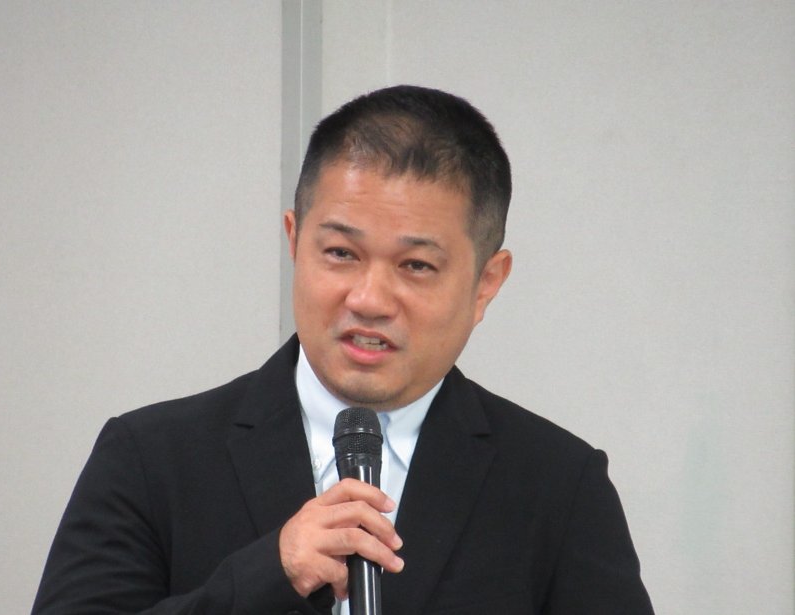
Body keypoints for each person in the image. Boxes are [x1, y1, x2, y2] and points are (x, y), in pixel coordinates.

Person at [33, 85, 653, 614]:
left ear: (486, 283)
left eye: (416, 265)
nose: (369, 298)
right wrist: (270, 574)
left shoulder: (558, 485)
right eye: (340, 253)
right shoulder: (151, 457)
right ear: (294, 239)